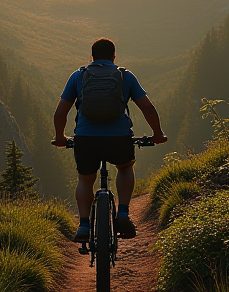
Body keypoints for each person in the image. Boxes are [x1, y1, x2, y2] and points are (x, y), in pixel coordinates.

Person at [52, 37, 167, 242]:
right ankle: (122, 213)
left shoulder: (79, 76)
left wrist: (60, 137)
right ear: (114, 56)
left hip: (86, 138)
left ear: (92, 56)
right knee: (124, 167)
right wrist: (157, 133)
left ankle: (84, 225)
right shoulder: (125, 76)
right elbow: (148, 108)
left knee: (86, 179)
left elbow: (60, 113)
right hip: (119, 137)